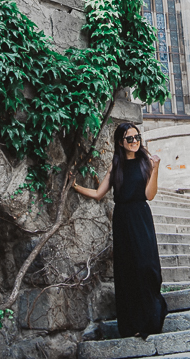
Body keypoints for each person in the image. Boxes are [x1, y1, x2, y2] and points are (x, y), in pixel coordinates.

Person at [72, 122, 168, 339]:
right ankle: (132, 324)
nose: (135, 142)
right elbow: (99, 194)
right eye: (130, 139)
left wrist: (156, 169)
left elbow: (150, 195)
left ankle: (151, 318)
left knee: (147, 266)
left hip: (141, 217)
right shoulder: (116, 167)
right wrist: (75, 186)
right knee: (128, 272)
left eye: (137, 137)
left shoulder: (146, 163)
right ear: (120, 142)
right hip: (123, 219)